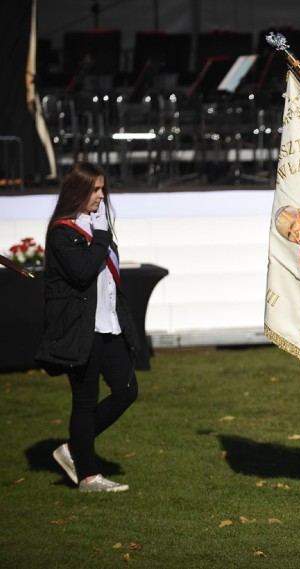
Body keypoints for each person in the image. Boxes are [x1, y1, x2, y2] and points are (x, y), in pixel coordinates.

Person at [35, 161, 140, 492]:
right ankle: (89, 477)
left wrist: (101, 235)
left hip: (109, 324)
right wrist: (101, 237)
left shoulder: (97, 226)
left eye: (102, 188)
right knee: (85, 400)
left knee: (126, 391)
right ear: (78, 191)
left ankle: (71, 448)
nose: (101, 195)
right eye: (95, 189)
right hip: (81, 328)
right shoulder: (63, 231)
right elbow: (82, 272)